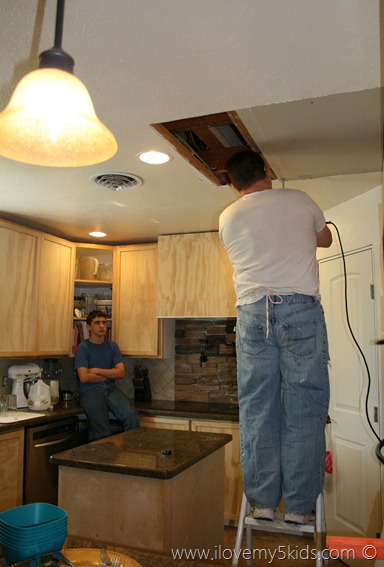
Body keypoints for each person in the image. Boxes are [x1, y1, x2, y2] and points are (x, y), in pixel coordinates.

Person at [219, 150, 332, 524]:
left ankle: (263, 504)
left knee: (257, 406)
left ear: (234, 185)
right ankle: (299, 509)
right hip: (300, 309)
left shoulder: (228, 216)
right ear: (267, 170)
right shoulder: (299, 199)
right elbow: (325, 239)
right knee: (304, 406)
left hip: (252, 313)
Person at [75, 309, 139, 440]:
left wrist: (97, 370)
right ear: (88, 327)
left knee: (131, 415)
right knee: (102, 432)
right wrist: (110, 373)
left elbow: (121, 373)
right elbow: (84, 378)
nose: (102, 326)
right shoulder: (83, 348)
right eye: (97, 323)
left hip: (111, 389)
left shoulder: (112, 346)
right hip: (90, 392)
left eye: (104, 322)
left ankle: (132, 455)